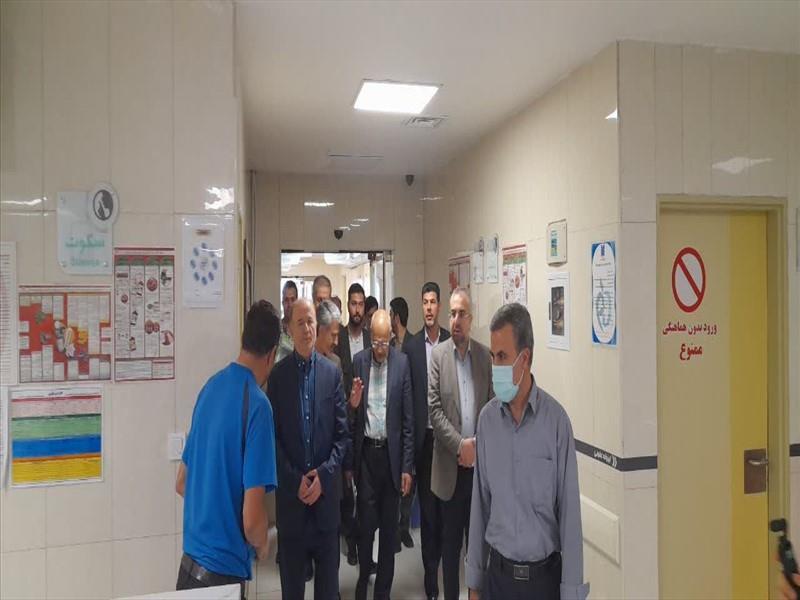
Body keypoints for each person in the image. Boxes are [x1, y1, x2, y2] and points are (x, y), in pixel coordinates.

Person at [466, 303, 588, 600]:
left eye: (503, 357)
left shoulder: (556, 423)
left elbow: (570, 518)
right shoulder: (487, 422)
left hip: (543, 582)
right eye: (493, 356)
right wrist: (474, 585)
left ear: (526, 358)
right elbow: (479, 507)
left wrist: (571, 593)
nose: (495, 366)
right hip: (499, 580)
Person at [176, 300, 280, 597]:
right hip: (221, 580)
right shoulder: (257, 406)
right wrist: (263, 543)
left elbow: (182, 482)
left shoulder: (209, 388)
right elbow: (252, 521)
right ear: (272, 354)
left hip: (187, 571)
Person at [267, 298, 350, 600]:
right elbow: (272, 439)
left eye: (311, 321)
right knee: (292, 592)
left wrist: (323, 477)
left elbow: (342, 437)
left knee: (327, 592)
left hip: (325, 508)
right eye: (300, 323)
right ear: (289, 329)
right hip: (292, 508)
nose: (307, 329)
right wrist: (295, 480)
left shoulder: (332, 374)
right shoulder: (278, 377)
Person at [428, 288, 493, 600]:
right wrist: (460, 446)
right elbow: (434, 410)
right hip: (450, 470)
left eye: (461, 314)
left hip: (479, 471)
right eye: (452, 313)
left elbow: (493, 407)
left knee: (477, 549)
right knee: (450, 548)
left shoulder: (484, 357)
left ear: (471, 318)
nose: (455, 320)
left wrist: (476, 446)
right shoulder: (438, 356)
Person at [349, 310, 414, 600]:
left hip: (391, 458)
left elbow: (408, 421)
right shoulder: (359, 361)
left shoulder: (402, 364)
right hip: (366, 457)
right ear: (370, 337)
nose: (379, 349)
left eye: (384, 342)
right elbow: (352, 418)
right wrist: (352, 405)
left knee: (389, 531)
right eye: (375, 342)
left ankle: (383, 592)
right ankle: (364, 577)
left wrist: (407, 467)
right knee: (365, 528)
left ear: (391, 337)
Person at [403, 282, 450, 600]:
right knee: (429, 513)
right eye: (425, 302)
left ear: (439, 306)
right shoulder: (411, 347)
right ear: (421, 307)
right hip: (424, 442)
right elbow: (408, 401)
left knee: (446, 512)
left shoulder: (450, 341)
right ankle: (430, 576)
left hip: (447, 440)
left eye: (434, 302)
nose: (429, 307)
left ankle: (443, 566)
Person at [315, 299, 342, 371]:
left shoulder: (335, 363)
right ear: (321, 330)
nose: (336, 342)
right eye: (333, 335)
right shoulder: (303, 359)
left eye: (337, 335)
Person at [278, 280, 298, 361]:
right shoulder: (276, 329)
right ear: (282, 302)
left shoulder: (303, 329)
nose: (289, 304)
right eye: (286, 300)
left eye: (292, 299)